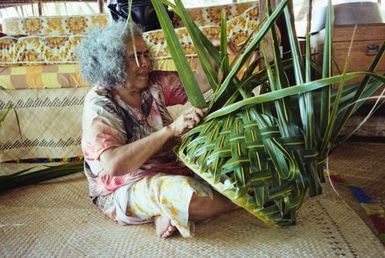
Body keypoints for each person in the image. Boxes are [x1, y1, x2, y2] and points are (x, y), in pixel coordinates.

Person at [77, 21, 237, 238]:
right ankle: (237, 204)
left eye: (146, 54)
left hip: (170, 168)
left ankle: (162, 212)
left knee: (229, 169)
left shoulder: (152, 83)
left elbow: (197, 85)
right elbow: (114, 164)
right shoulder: (99, 104)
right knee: (186, 196)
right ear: (112, 62)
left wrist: (210, 53)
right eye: (136, 57)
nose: (146, 63)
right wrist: (170, 130)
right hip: (123, 188)